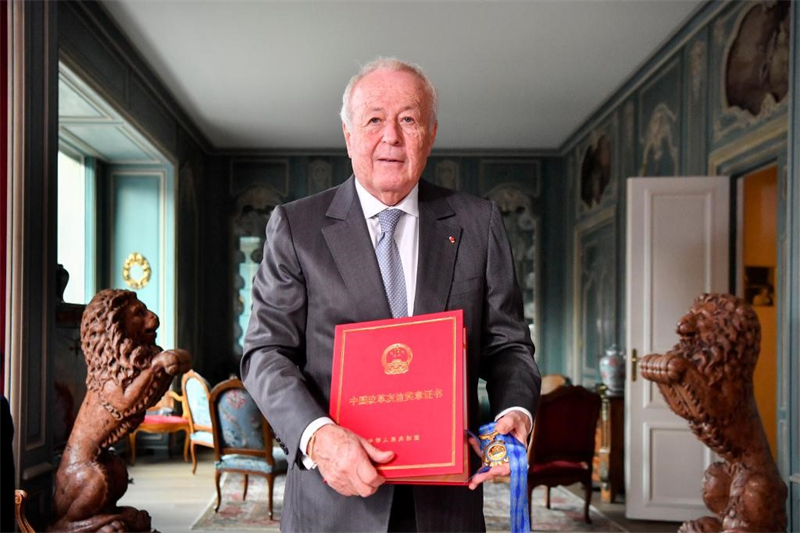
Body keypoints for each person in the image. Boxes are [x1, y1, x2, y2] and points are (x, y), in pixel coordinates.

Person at [242, 58, 540, 532]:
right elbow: (265, 353)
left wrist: (514, 412)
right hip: (334, 502)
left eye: (408, 119)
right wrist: (319, 439)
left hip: (445, 505)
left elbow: (508, 345)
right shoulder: (296, 226)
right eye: (375, 119)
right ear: (348, 133)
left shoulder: (478, 223)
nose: (392, 137)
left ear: (431, 133)